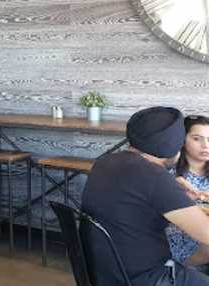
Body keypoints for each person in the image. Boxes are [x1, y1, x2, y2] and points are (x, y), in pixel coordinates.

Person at [82, 107, 209, 286]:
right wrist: (169, 187)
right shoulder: (155, 177)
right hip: (147, 277)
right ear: (173, 145)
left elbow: (136, 203)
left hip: (105, 271)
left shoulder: (105, 162)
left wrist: (174, 190)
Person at [168, 115, 209, 267]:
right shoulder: (171, 176)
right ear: (183, 140)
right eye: (197, 139)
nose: (205, 145)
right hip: (180, 241)